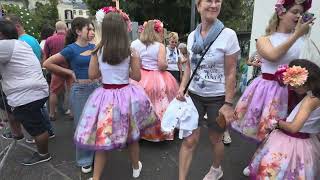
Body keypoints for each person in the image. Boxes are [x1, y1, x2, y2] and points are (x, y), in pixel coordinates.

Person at [231, 0, 313, 176]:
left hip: (292, 91)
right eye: (295, 12)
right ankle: (257, 162)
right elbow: (273, 56)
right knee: (264, 129)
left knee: (281, 132)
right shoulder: (264, 39)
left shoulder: (302, 40)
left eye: (301, 13)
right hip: (268, 91)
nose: (299, 16)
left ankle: (273, 165)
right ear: (281, 13)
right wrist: (297, 34)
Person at [74, 10, 158, 180]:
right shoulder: (130, 51)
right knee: (132, 136)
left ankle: (96, 177)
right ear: (123, 29)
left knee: (102, 139)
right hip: (127, 96)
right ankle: (135, 168)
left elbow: (92, 75)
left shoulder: (98, 50)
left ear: (104, 29)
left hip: (105, 97)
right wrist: (125, 69)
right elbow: (137, 76)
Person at [176, 0, 240, 179]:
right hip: (194, 96)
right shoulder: (191, 37)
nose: (214, 5)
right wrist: (182, 88)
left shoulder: (228, 35)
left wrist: (228, 103)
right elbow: (189, 66)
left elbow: (230, 72)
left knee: (215, 139)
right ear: (198, 6)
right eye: (209, 1)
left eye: (217, 1)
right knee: (189, 139)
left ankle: (216, 169)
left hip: (217, 98)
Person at [249, 59, 320, 179]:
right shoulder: (314, 97)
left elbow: (294, 127)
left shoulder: (310, 100)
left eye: (293, 82)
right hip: (306, 142)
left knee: (277, 172)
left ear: (306, 81)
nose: (291, 86)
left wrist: (277, 122)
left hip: (291, 143)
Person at [43, 17, 97, 174]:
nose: (92, 32)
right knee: (83, 125)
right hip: (80, 90)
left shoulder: (95, 47)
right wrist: (68, 72)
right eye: (89, 29)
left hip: (96, 88)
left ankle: (96, 153)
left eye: (93, 29)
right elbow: (47, 63)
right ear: (78, 31)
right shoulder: (71, 49)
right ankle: (85, 159)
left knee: (96, 124)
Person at [0, 19, 51, 165]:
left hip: (26, 95)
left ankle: (43, 154)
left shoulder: (4, 45)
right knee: (36, 120)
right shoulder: (20, 43)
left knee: (36, 127)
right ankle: (21, 133)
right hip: (35, 90)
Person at [131, 20, 179, 142]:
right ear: (157, 32)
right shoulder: (160, 46)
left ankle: (140, 132)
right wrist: (167, 64)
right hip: (158, 78)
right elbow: (162, 65)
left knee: (141, 105)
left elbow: (136, 64)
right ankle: (159, 132)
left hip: (140, 78)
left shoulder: (135, 44)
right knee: (159, 105)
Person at [44, 21, 70, 121]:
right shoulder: (69, 39)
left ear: (56, 29)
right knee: (70, 90)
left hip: (56, 69)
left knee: (53, 91)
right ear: (65, 28)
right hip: (69, 68)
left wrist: (49, 68)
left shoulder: (49, 39)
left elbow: (46, 56)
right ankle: (72, 112)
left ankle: (51, 114)